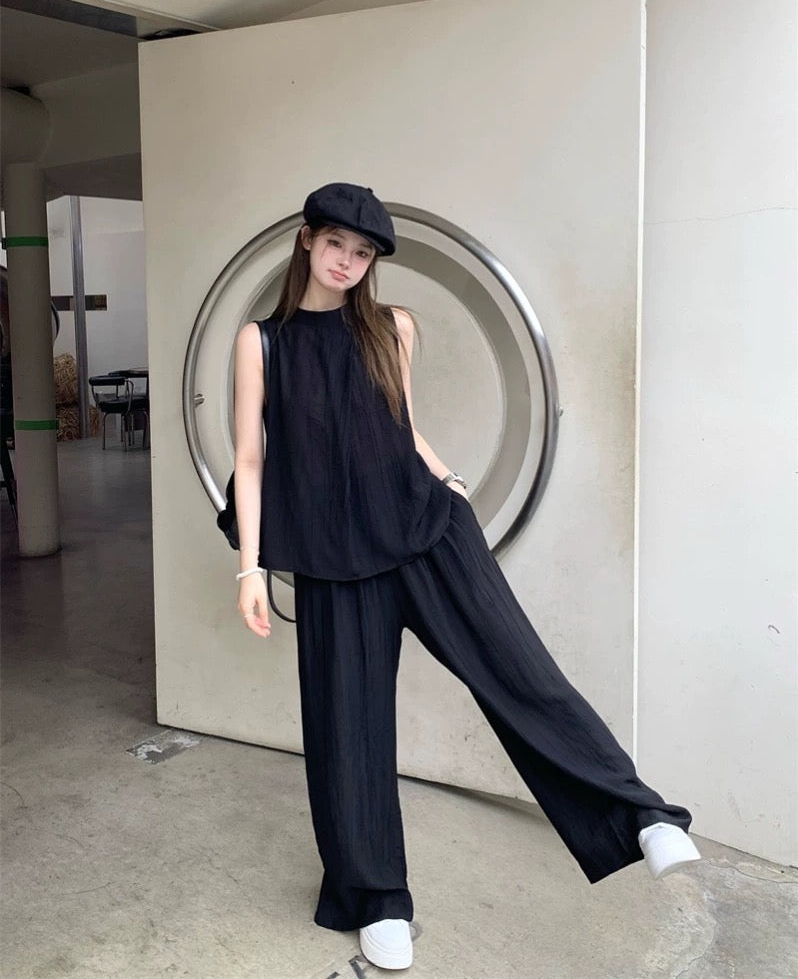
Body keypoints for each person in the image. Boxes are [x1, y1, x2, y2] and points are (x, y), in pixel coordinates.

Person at [232, 182, 700, 971]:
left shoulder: (394, 327)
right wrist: (249, 566)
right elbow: (251, 458)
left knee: (522, 674)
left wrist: (450, 484)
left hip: (427, 531)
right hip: (333, 559)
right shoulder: (263, 342)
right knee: (348, 731)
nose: (347, 262)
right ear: (308, 239)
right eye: (336, 243)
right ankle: (377, 899)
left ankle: (640, 815)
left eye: (363, 252)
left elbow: (404, 428)